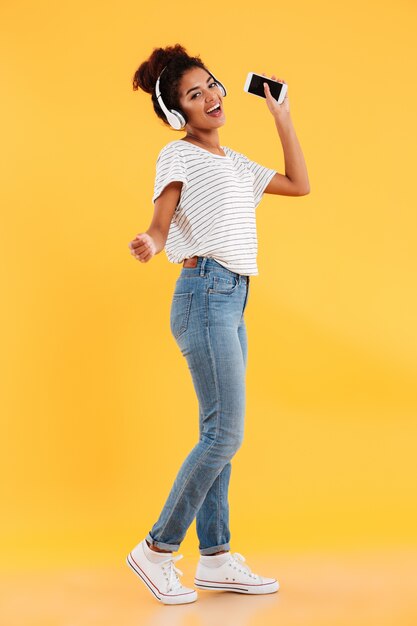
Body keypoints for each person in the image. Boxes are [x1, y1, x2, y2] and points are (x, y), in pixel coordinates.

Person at [126, 44, 310, 605]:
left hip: (233, 298)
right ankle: (157, 550)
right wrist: (150, 242)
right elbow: (161, 222)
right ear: (178, 112)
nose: (210, 98)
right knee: (224, 434)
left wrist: (281, 113)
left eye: (212, 86)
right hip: (204, 292)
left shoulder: (235, 164)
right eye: (193, 94)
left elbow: (299, 184)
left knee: (219, 436)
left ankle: (217, 559)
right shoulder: (176, 155)